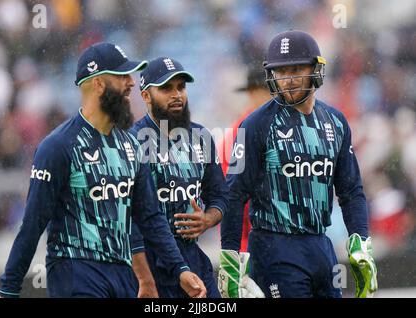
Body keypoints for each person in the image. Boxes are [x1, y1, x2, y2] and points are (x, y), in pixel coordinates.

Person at [0, 43, 206, 298]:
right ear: (98, 84)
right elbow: (33, 224)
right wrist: (9, 289)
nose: (131, 83)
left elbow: (150, 218)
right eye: (122, 77)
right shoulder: (58, 146)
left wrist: (180, 269)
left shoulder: (131, 144)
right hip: (75, 270)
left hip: (123, 274)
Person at [219, 30, 378, 298]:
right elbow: (234, 195)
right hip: (274, 248)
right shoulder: (256, 125)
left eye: (296, 70)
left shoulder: (336, 122)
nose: (288, 80)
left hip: (321, 246)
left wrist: (360, 241)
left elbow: (351, 192)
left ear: (315, 70)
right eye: (280, 72)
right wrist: (230, 257)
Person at [130, 57, 229, 298]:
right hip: (149, 261)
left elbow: (220, 195)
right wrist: (144, 277)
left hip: (191, 255)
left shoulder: (201, 136)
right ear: (145, 96)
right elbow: (127, 217)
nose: (177, 95)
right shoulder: (131, 142)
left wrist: (207, 219)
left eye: (181, 87)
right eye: (166, 88)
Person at [218, 66, 272, 253]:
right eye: (269, 90)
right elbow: (231, 198)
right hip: (253, 238)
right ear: (254, 93)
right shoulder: (240, 133)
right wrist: (239, 250)